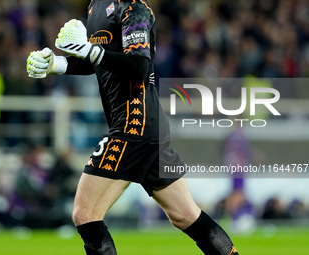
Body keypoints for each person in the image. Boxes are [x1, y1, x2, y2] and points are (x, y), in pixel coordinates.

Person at [26, 0, 239, 254]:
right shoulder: (96, 6)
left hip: (134, 123)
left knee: (85, 214)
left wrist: (87, 50)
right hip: (145, 127)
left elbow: (139, 67)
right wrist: (57, 65)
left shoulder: (133, 8)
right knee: (185, 215)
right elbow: (101, 61)